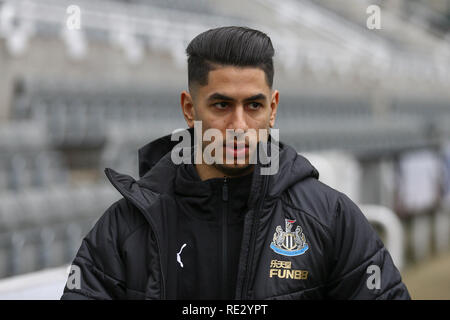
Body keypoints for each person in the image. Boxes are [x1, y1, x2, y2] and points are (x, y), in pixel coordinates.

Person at [61, 26, 410, 300]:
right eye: (222, 105)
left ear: (272, 109)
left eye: (254, 106)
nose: (239, 127)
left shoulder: (329, 218)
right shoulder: (126, 227)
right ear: (189, 108)